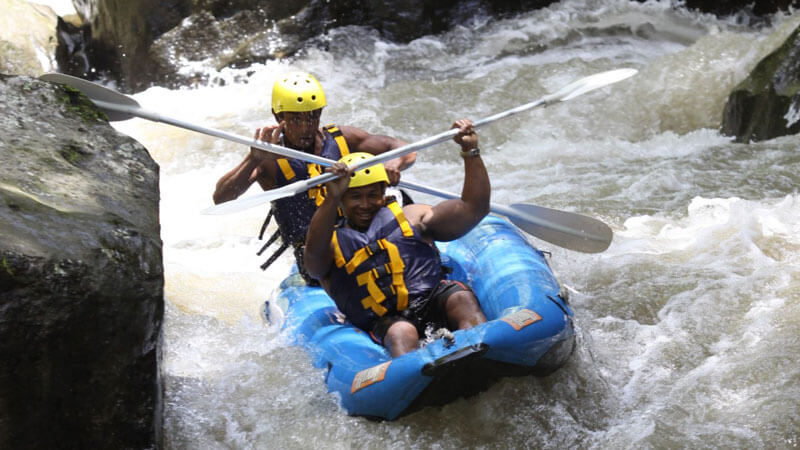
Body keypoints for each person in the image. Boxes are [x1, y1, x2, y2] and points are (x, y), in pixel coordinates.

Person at [303, 119, 489, 357]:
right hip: (386, 320)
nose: (365, 205)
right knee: (402, 332)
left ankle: (483, 351)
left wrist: (470, 151)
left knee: (461, 299)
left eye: (373, 194)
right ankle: (421, 379)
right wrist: (331, 197)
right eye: (355, 197)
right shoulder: (330, 242)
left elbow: (475, 208)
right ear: (341, 200)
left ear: (384, 191)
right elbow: (313, 262)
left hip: (432, 299)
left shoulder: (412, 217)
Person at [212, 71, 415, 283]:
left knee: (400, 199)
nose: (305, 127)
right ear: (278, 117)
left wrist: (395, 162)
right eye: (296, 119)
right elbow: (221, 198)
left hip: (358, 232)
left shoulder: (342, 139)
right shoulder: (268, 159)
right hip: (315, 254)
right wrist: (252, 160)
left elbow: (402, 148)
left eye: (312, 117)